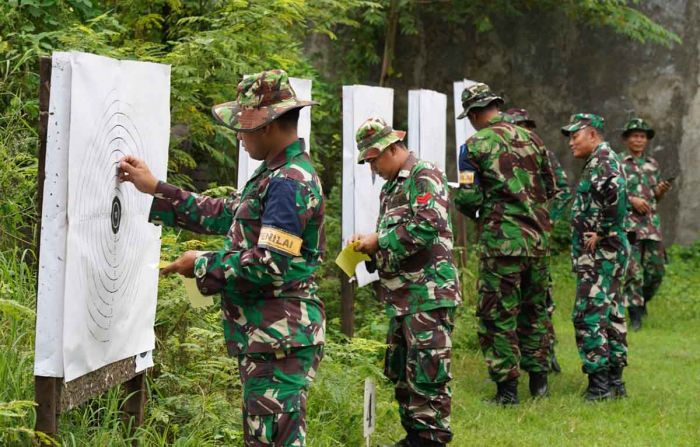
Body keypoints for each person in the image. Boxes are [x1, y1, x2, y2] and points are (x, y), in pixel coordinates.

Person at [119, 69, 326, 446]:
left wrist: (200, 263)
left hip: (280, 338)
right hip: (273, 337)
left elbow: (269, 263)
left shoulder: (288, 182)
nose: (240, 137)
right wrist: (156, 189)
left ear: (266, 126)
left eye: (243, 128)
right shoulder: (275, 175)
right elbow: (229, 212)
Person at [349, 117, 461, 446]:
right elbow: (395, 243)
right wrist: (366, 249)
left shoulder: (424, 175)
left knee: (428, 372)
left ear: (393, 148)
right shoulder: (391, 188)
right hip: (402, 297)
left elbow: (428, 226)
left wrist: (378, 241)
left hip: (429, 294)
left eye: (373, 160)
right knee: (403, 373)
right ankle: (415, 435)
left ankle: (431, 438)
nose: (372, 168)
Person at [454, 84, 556, 405]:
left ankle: (507, 392)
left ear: (472, 114)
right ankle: (539, 385)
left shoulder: (472, 147)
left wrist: (481, 210)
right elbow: (550, 187)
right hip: (538, 241)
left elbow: (468, 198)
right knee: (535, 311)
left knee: (497, 315)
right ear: (497, 105)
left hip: (501, 245)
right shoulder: (533, 139)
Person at [561, 113, 629, 400]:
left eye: (575, 136)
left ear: (592, 134)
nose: (571, 143)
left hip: (601, 255)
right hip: (604, 255)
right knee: (610, 314)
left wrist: (604, 232)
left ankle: (599, 387)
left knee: (588, 316)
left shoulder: (603, 162)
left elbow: (618, 197)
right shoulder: (599, 161)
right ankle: (614, 383)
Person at [507, 107, 573, 373]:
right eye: (518, 126)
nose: (523, 130)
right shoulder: (500, 156)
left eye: (527, 125)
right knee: (507, 302)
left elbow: (563, 189)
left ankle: (546, 356)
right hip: (508, 240)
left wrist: (549, 218)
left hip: (535, 239)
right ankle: (511, 361)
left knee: (540, 300)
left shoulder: (543, 154)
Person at [620, 118, 672, 330]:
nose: (639, 140)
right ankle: (635, 316)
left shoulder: (653, 165)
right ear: (627, 139)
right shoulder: (617, 163)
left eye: (642, 136)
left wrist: (659, 193)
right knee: (633, 271)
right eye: (635, 135)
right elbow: (610, 191)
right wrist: (631, 200)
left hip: (650, 226)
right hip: (628, 225)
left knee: (656, 271)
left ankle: (642, 301)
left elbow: (654, 198)